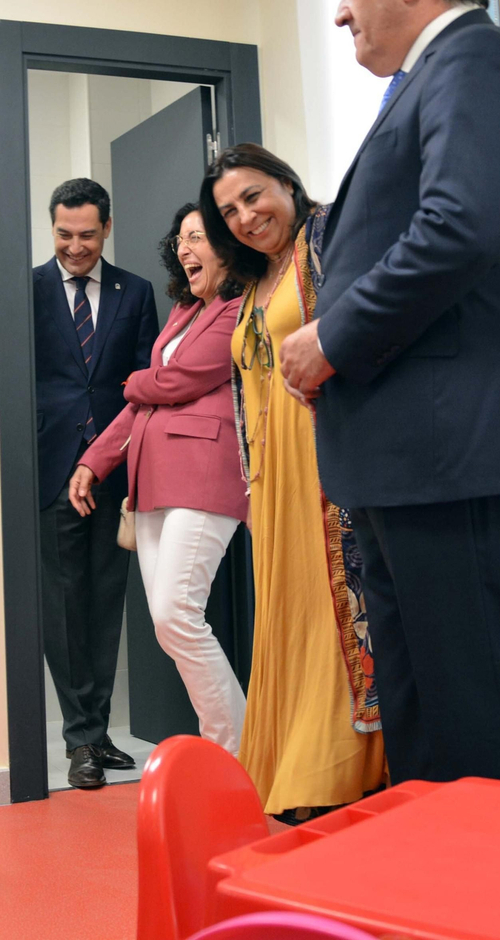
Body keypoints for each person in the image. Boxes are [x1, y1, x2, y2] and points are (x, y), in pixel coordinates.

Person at [278, 0, 500, 787]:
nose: (340, 12)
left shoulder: (480, 60)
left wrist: (331, 338)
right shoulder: (427, 82)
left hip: (453, 449)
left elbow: (459, 228)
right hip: (408, 456)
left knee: (479, 724)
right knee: (423, 726)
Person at [200, 145, 385, 821]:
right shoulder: (255, 279)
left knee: (331, 610)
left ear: (286, 182)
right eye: (229, 212)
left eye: (253, 196)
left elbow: (366, 328)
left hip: (322, 459)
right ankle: (289, 766)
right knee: (290, 612)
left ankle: (337, 766)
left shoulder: (329, 238)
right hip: (273, 477)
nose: (246, 217)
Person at [68, 205, 250, 754]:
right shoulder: (184, 311)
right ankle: (235, 745)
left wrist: (135, 381)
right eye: (180, 240)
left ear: (227, 245)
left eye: (198, 237)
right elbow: (148, 401)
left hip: (203, 475)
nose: (184, 248)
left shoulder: (239, 307)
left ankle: (234, 751)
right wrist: (95, 461)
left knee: (176, 615)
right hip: (149, 483)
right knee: (168, 625)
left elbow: (182, 379)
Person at [32, 178, 160, 788]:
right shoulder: (27, 288)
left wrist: (116, 456)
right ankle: (79, 736)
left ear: (106, 228)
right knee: (63, 604)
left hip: (115, 469)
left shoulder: (135, 292)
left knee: (107, 601)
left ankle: (97, 731)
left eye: (87, 235)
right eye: (64, 234)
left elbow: (144, 384)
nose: (75, 247)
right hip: (53, 466)